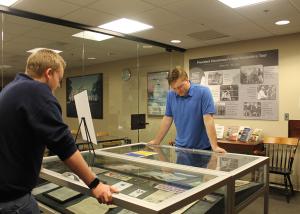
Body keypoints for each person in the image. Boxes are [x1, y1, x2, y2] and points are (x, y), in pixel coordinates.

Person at [0, 49, 118, 213]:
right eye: (59, 79)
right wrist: (95, 184)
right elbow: (64, 145)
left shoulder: (10, 89)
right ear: (49, 73)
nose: (59, 85)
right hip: (13, 201)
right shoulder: (37, 91)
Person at [149, 66, 226, 153]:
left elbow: (208, 120)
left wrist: (215, 147)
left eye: (180, 87)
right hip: (180, 148)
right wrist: (157, 141)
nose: (178, 91)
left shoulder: (203, 92)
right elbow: (167, 119)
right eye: (174, 88)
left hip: (202, 150)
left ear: (187, 79)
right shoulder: (171, 95)